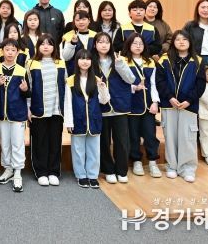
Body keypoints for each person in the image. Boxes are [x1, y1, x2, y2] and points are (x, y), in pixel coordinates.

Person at [157, 30, 206, 183]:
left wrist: (189, 100)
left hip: (189, 106)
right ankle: (171, 166)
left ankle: (187, 168)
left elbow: (200, 84)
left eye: (185, 39)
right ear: (173, 42)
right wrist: (170, 97)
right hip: (169, 105)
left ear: (190, 42)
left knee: (187, 137)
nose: (181, 42)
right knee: (170, 137)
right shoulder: (164, 60)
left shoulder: (198, 61)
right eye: (178, 39)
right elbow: (160, 82)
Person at [91, 33, 136, 184]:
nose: (104, 45)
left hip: (119, 106)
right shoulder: (90, 61)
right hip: (100, 107)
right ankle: (108, 170)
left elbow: (131, 79)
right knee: (104, 141)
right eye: (100, 42)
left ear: (111, 45)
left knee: (122, 141)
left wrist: (120, 65)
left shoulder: (119, 59)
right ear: (95, 45)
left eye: (106, 42)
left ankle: (122, 171)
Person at [66, 49, 110, 189]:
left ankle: (92, 175)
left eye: (88, 59)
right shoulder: (70, 80)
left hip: (94, 119)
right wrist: (69, 122)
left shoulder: (97, 79)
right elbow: (67, 103)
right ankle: (81, 175)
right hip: (77, 119)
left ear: (91, 61)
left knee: (94, 149)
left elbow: (104, 101)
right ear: (77, 61)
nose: (85, 61)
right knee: (78, 150)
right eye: (82, 58)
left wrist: (102, 88)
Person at [121, 33, 162, 178]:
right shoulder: (123, 61)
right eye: (134, 43)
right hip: (131, 105)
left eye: (140, 43)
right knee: (133, 135)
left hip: (148, 105)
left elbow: (154, 84)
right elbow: (120, 84)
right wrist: (134, 88)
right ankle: (136, 161)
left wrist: (155, 102)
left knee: (150, 135)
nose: (138, 46)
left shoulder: (150, 62)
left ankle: (152, 162)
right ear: (129, 45)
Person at [27, 34, 66, 186]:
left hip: (56, 109)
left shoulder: (60, 62)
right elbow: (28, 87)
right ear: (38, 47)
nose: (45, 46)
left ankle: (54, 172)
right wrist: (28, 108)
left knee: (55, 141)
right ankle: (41, 172)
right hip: (38, 109)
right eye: (42, 44)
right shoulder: (31, 63)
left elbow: (65, 86)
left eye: (49, 44)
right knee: (39, 142)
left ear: (54, 47)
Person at [0, 38, 29, 193]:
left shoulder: (22, 70)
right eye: (7, 49)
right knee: (5, 143)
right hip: (1, 114)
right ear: (2, 52)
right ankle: (8, 169)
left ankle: (18, 172)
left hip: (17, 113)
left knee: (17, 143)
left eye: (13, 50)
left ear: (17, 52)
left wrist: (25, 89)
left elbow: (29, 93)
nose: (10, 53)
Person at [61, 10, 97, 76]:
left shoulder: (96, 35)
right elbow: (66, 57)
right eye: (77, 20)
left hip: (93, 71)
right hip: (74, 72)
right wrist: (72, 43)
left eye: (84, 19)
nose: (81, 22)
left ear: (89, 20)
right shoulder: (68, 36)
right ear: (74, 22)